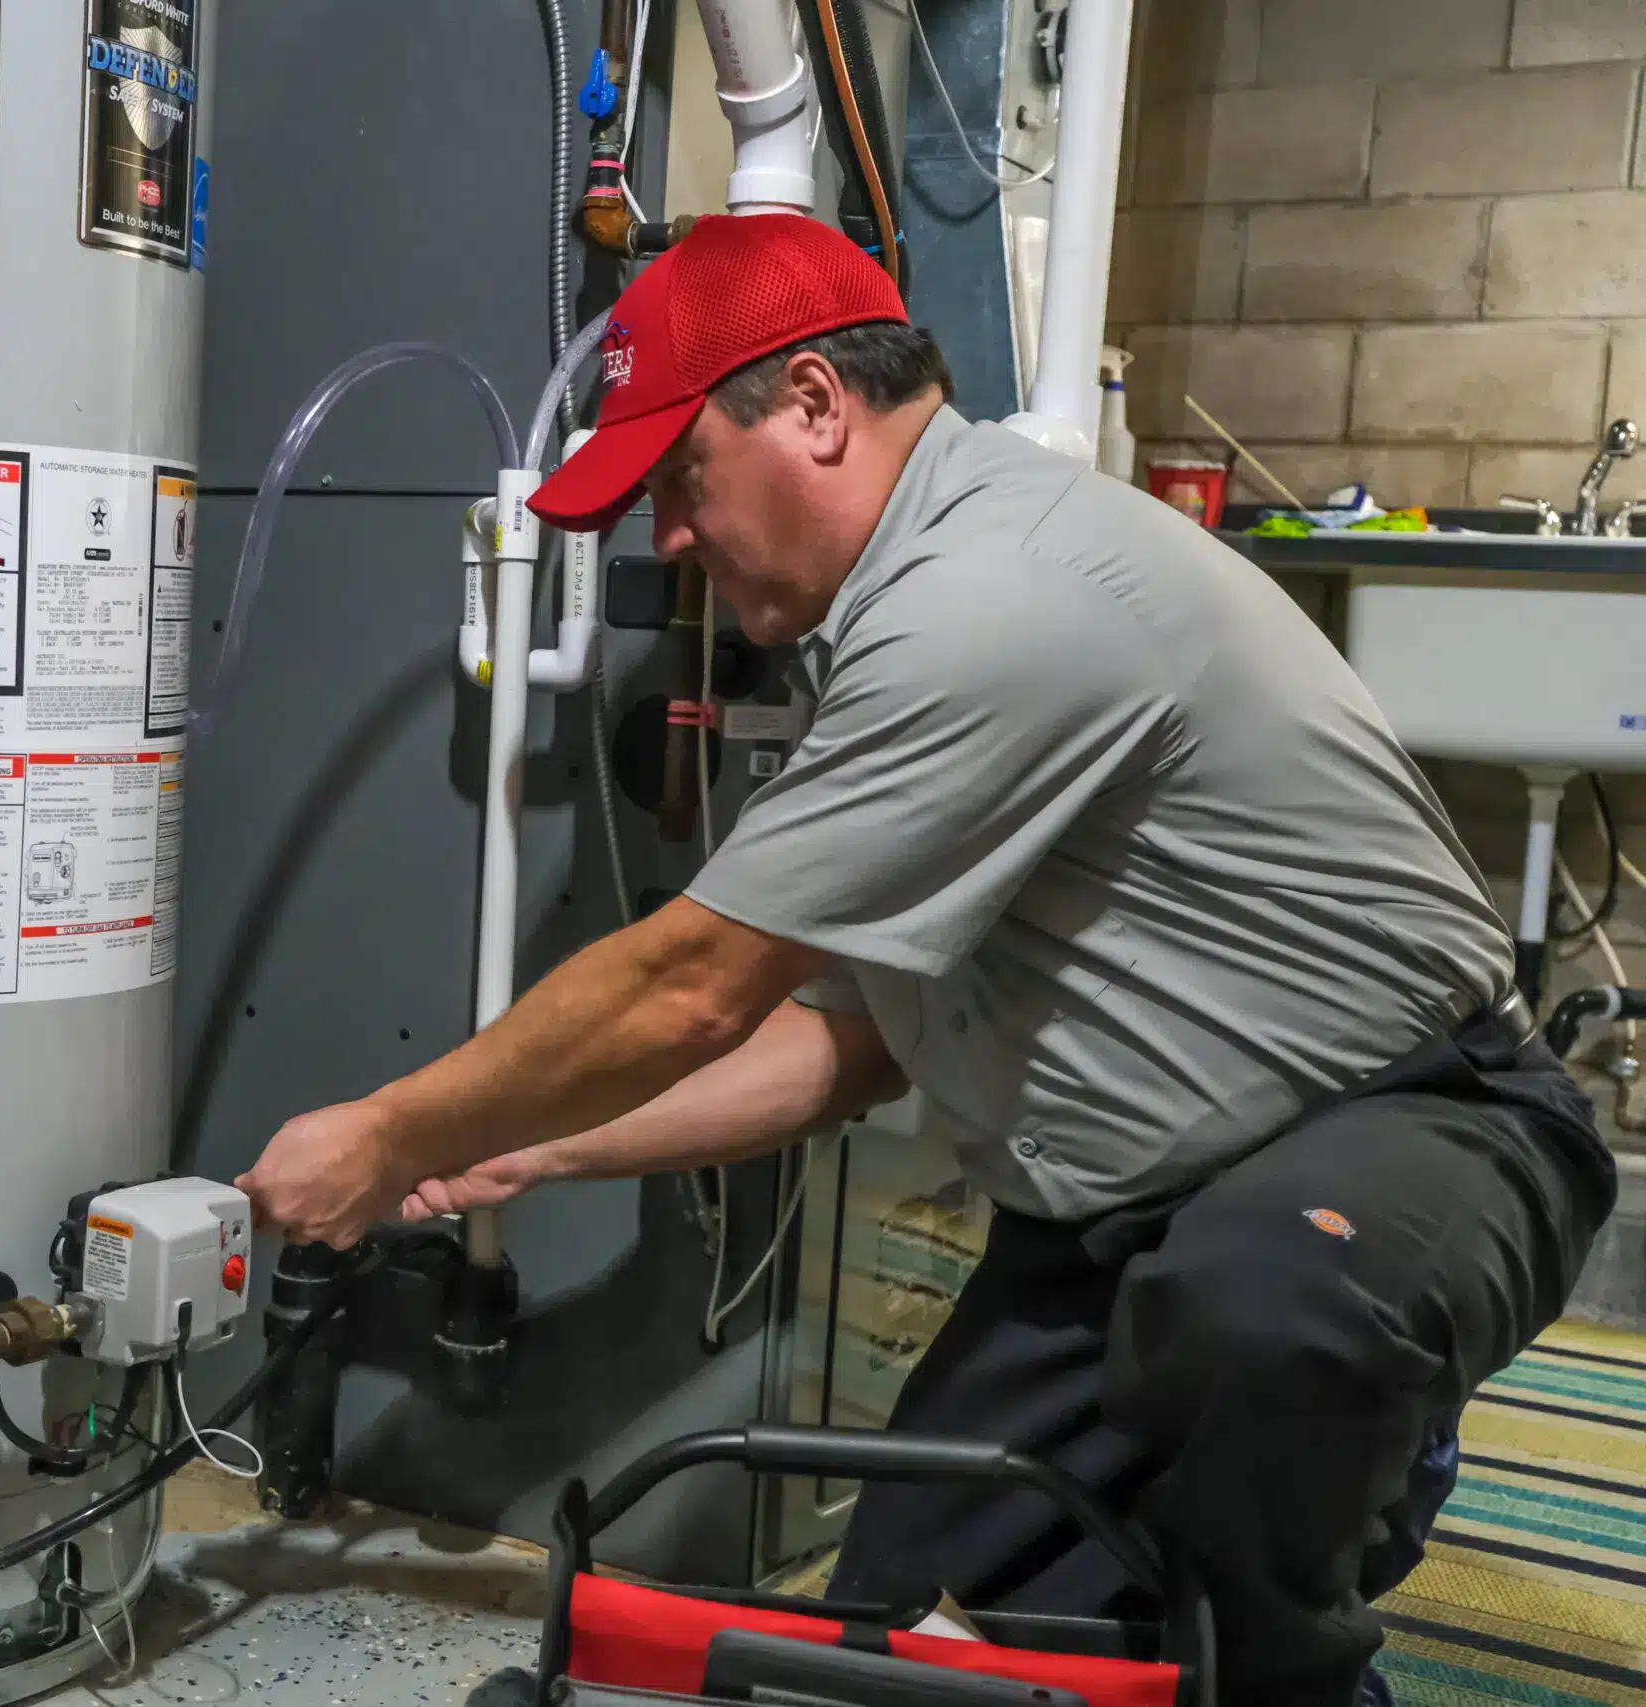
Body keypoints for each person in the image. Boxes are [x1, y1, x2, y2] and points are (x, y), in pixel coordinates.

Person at [232, 213, 1614, 1707]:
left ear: (817, 407)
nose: (671, 539)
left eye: (682, 478)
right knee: (889, 1647)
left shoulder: (994, 596)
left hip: (1414, 1134)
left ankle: (1307, 1647)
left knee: (1258, 1363)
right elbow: (846, 1043)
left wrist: (390, 1131)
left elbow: (695, 985)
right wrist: (526, 1149)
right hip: (1119, 1224)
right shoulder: (882, 631)